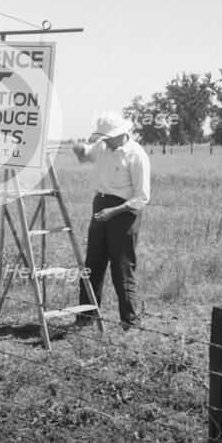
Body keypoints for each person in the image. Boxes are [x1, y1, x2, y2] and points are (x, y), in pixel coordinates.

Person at [72, 111, 150, 330]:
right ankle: (85, 319)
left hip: (124, 213)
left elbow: (142, 197)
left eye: (109, 136)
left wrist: (114, 212)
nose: (106, 140)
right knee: (92, 265)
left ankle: (130, 324)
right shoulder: (103, 146)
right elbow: (85, 155)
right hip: (100, 208)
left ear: (122, 132)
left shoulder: (137, 155)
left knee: (122, 269)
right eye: (104, 137)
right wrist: (79, 149)